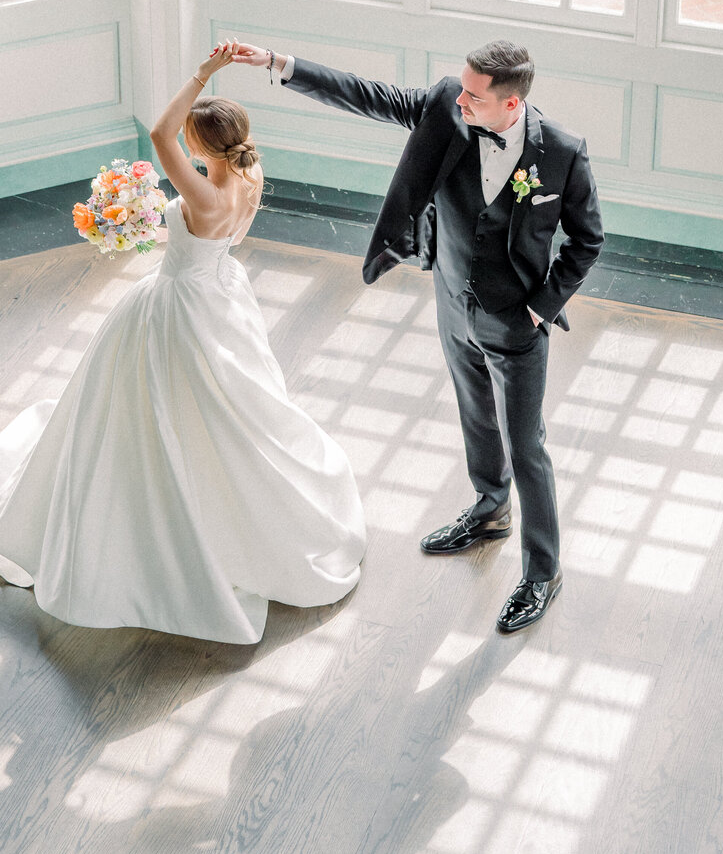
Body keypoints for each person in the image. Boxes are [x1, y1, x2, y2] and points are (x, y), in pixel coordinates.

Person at [0, 42, 365, 644]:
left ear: (201, 147)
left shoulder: (202, 193)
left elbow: (160, 133)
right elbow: (205, 210)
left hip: (179, 306)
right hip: (221, 294)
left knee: (152, 404)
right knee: (228, 408)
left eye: (193, 141)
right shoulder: (248, 173)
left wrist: (205, 73)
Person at [230, 38, 603, 633]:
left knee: (526, 442)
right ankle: (489, 508)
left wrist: (539, 308)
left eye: (474, 95)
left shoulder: (561, 153)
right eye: (460, 87)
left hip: (516, 320)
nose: (460, 99)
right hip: (453, 302)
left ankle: (542, 571)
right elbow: (366, 95)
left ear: (512, 105)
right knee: (475, 413)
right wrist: (280, 64)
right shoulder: (446, 109)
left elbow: (587, 240)